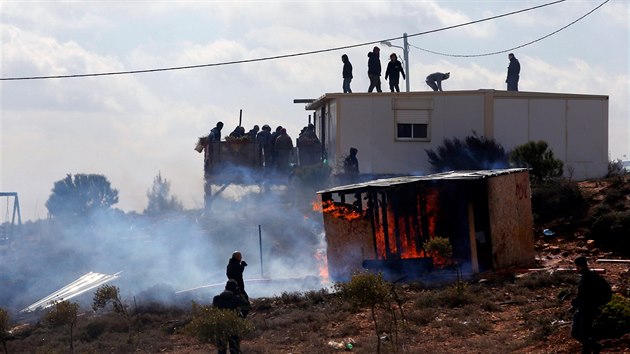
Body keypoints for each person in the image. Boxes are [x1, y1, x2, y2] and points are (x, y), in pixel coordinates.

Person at [570, 256, 606, 354]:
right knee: (584, 334)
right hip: (586, 309)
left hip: (588, 310)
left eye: (577, 266)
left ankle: (596, 347)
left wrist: (576, 303)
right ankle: (590, 349)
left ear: (580, 266)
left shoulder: (587, 278)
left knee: (578, 333)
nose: (576, 269)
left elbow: (586, 296)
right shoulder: (589, 276)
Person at [212, 279, 250, 354]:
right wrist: (241, 317)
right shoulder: (236, 299)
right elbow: (246, 307)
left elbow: (213, 311)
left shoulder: (216, 298)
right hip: (233, 326)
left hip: (220, 326)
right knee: (234, 349)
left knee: (221, 350)